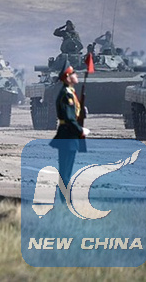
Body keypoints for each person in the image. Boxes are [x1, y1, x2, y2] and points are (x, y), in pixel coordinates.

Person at [50, 63, 89, 199]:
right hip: (68, 135)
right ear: (67, 77)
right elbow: (69, 118)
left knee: (66, 171)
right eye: (73, 73)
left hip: (68, 134)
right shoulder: (67, 94)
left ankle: (65, 200)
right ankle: (66, 201)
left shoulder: (70, 93)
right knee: (65, 173)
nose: (76, 75)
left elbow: (73, 115)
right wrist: (81, 130)